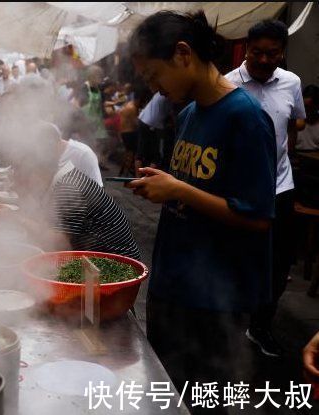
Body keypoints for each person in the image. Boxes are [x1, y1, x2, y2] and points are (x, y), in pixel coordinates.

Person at [126, 11, 276, 410]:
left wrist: (178, 188)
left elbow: (258, 216)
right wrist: (166, 184)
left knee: (206, 402)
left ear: (183, 53)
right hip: (174, 285)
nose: (156, 89)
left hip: (216, 300)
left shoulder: (246, 118)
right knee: (166, 394)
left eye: (156, 76)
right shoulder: (190, 113)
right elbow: (194, 188)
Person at [225, 19, 307, 358]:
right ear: (245, 48)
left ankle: (260, 326)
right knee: (235, 256)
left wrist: (285, 159)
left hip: (280, 186)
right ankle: (225, 319)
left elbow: (293, 124)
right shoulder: (227, 85)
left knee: (279, 262)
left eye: (271, 53)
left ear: (282, 52)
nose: (262, 59)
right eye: (256, 52)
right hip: (238, 189)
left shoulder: (292, 82)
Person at [7, 122, 140, 258]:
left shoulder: (68, 186)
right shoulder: (60, 179)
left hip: (117, 268)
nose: (17, 181)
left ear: (36, 169)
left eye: (19, 173)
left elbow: (58, 244)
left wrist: (16, 218)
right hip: (98, 260)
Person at [78, 65, 109, 170]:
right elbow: (80, 104)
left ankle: (97, 162)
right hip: (87, 121)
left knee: (100, 143)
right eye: (98, 77)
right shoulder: (84, 87)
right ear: (91, 76)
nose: (99, 79)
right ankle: (87, 164)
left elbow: (101, 103)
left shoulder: (98, 88)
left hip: (98, 120)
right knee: (88, 143)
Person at [296, 85, 319, 151]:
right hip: (296, 158)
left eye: (310, 107)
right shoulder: (294, 122)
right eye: (305, 106)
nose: (306, 110)